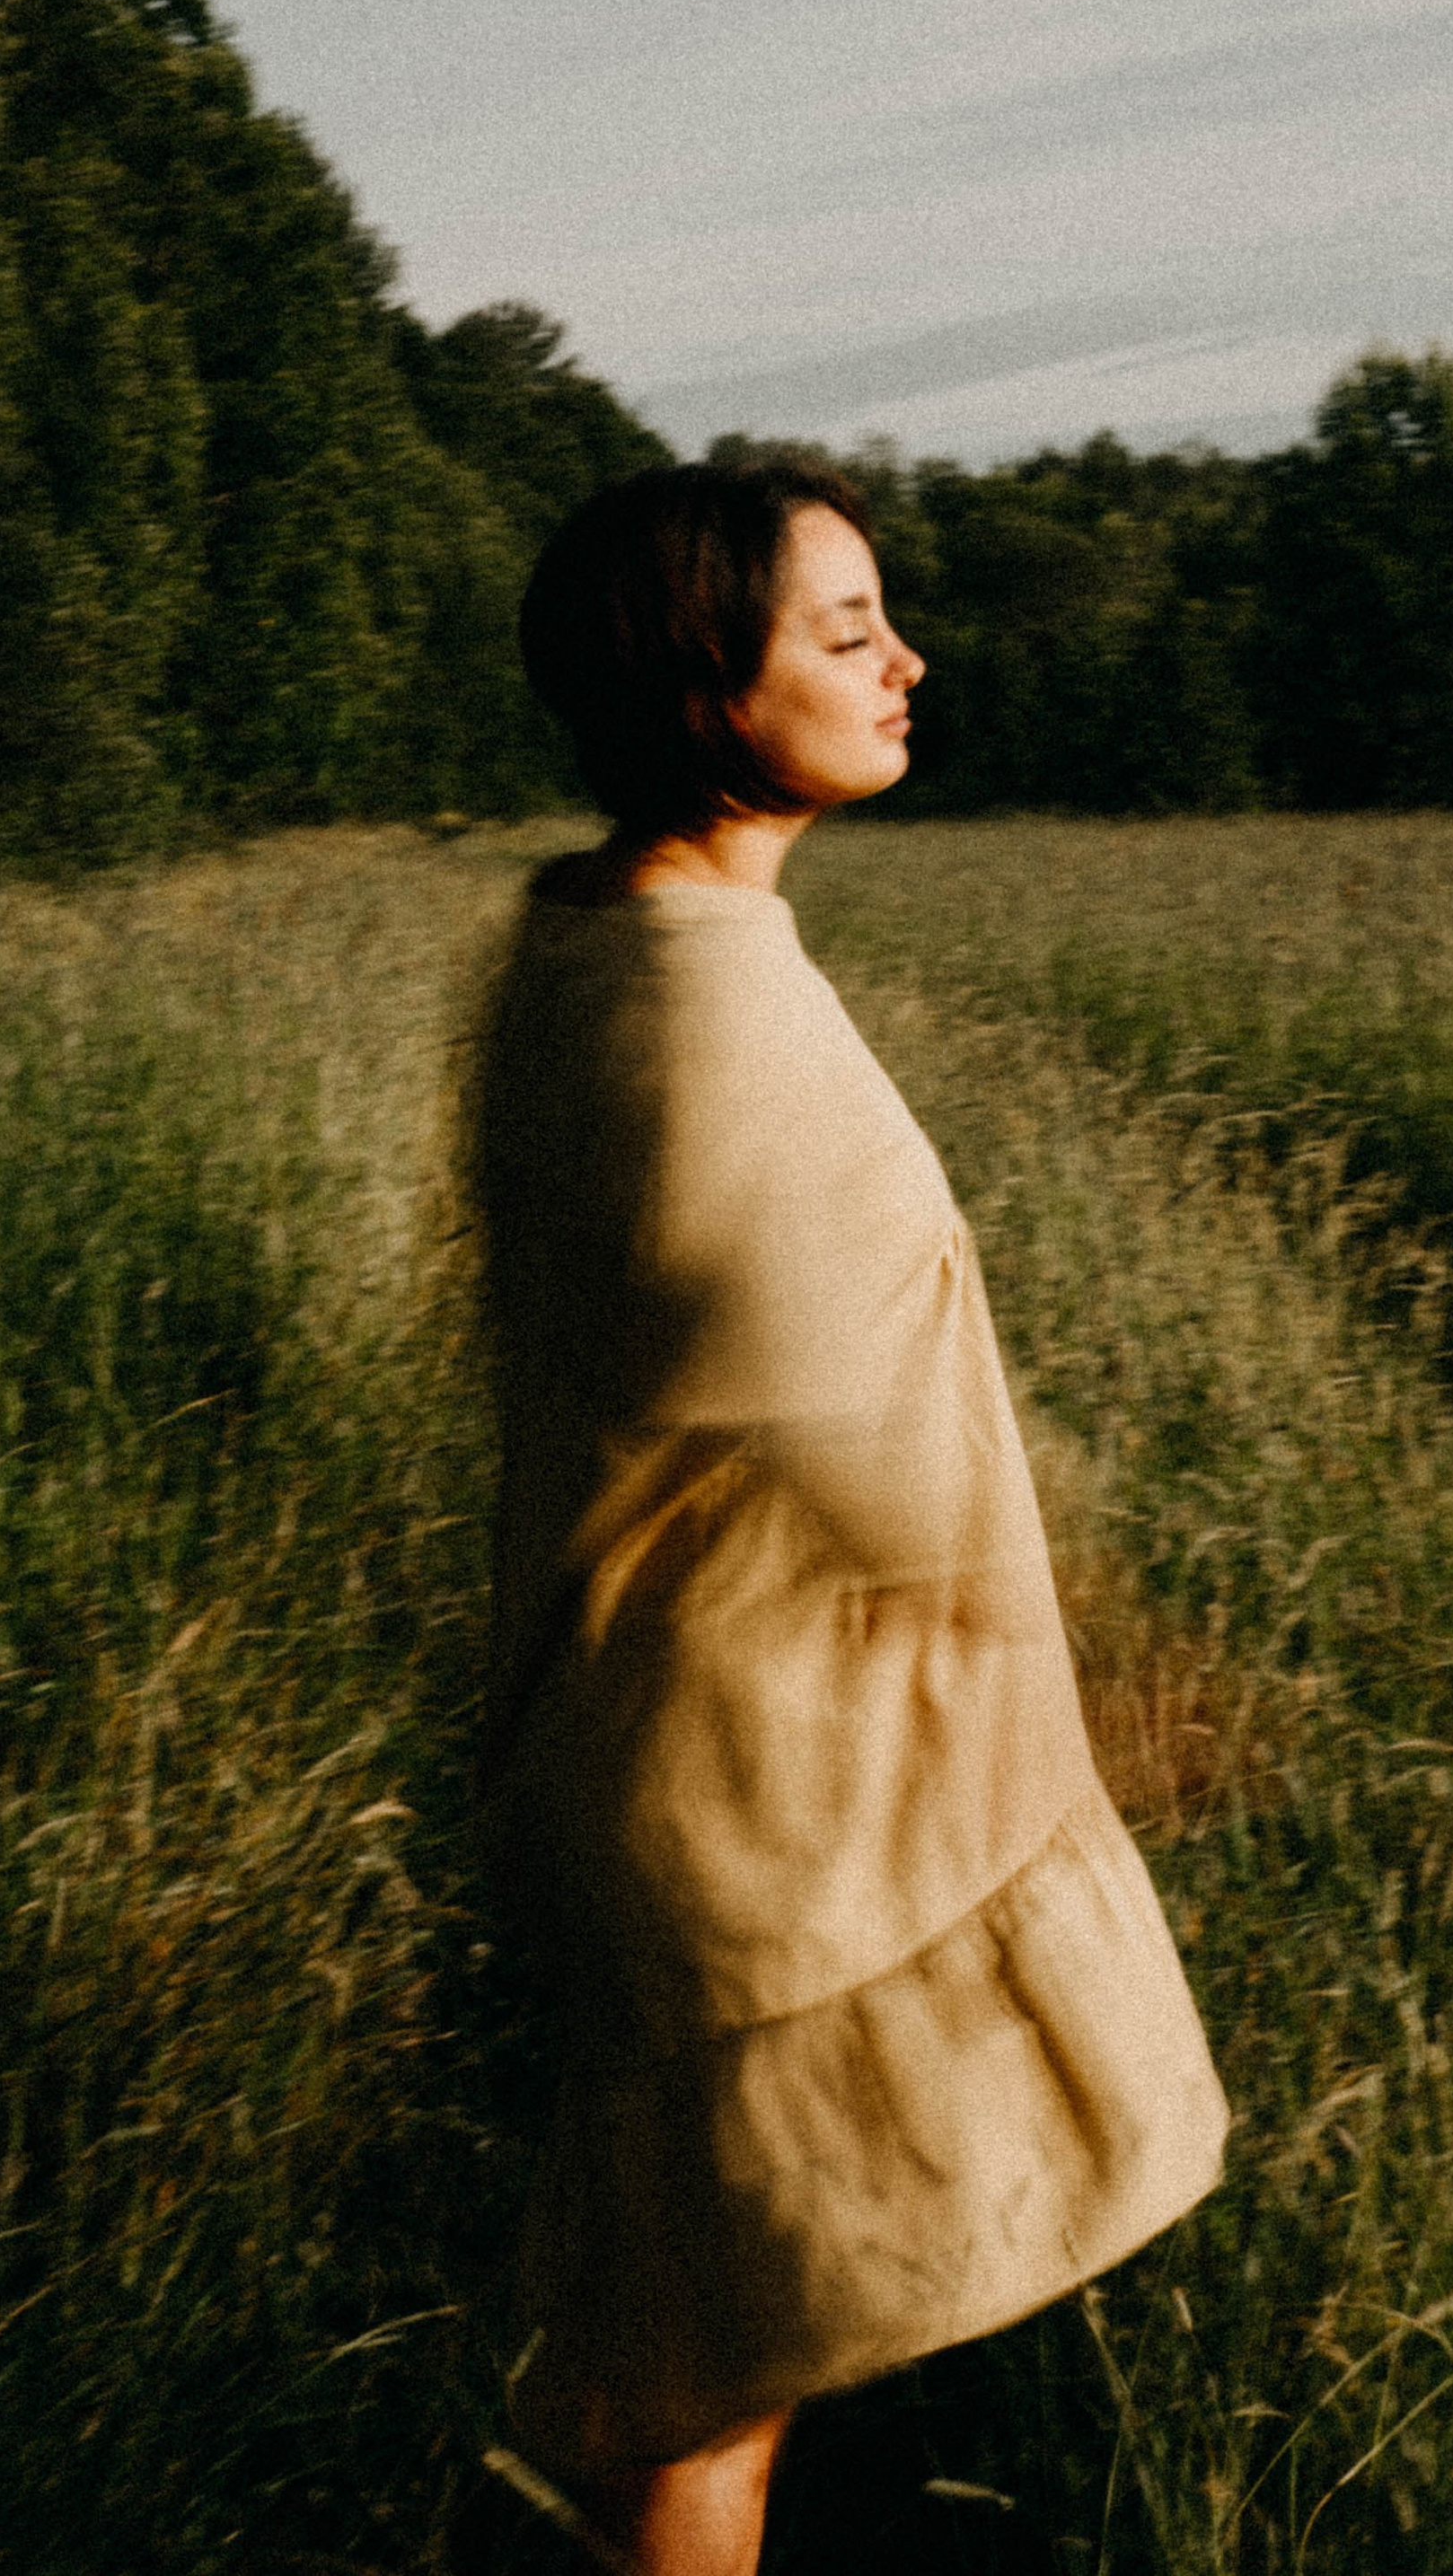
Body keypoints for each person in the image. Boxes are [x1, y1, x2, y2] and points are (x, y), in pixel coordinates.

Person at [474, 461, 1226, 2576]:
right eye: (841, 631)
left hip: (691, 1767)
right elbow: (852, 1460)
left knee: (693, 2364)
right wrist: (1136, 1685)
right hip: (762, 1814)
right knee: (687, 2405)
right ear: (704, 685)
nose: (902, 660)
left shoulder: (603, 940)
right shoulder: (706, 1017)